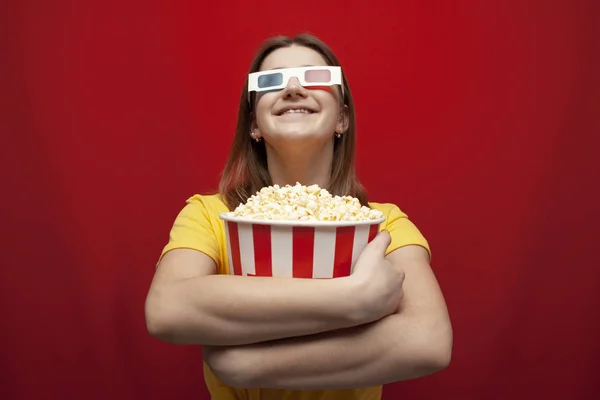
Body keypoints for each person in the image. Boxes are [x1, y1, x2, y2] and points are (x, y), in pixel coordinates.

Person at [145, 33, 453, 400]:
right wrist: (353, 299)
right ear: (254, 125)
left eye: (316, 78)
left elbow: (429, 340)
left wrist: (248, 365)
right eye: (271, 81)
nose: (293, 87)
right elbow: (167, 308)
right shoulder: (211, 215)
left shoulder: (382, 223)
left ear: (342, 117)